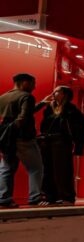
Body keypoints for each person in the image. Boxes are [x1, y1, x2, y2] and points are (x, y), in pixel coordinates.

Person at [0, 73, 47, 207]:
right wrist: (15, 128)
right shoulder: (27, 96)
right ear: (24, 83)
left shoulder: (3, 97)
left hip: (5, 139)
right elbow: (23, 116)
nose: (34, 87)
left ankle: (3, 198)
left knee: (6, 168)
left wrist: (43, 103)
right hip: (23, 138)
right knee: (36, 168)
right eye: (33, 83)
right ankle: (35, 197)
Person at [37, 86, 84, 205]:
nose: (53, 93)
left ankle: (67, 197)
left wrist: (79, 146)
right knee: (47, 169)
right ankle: (49, 196)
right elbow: (44, 124)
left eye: (57, 91)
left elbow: (81, 128)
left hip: (62, 142)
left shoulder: (71, 110)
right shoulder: (49, 108)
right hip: (47, 141)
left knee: (63, 170)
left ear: (64, 94)